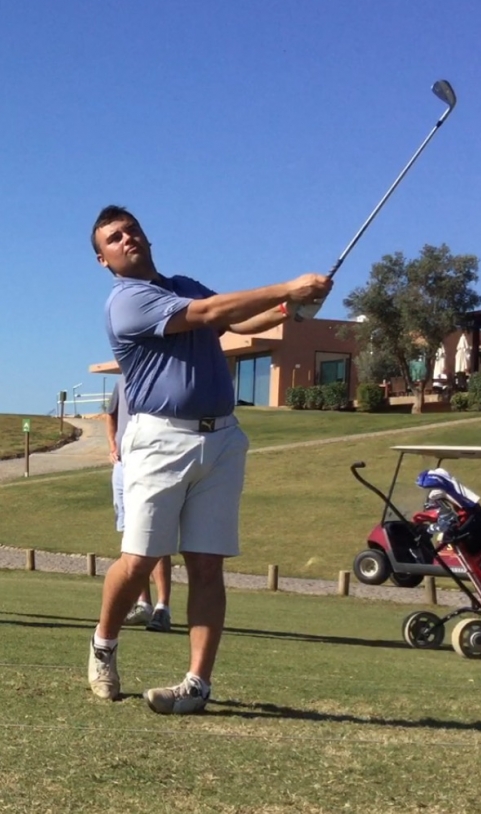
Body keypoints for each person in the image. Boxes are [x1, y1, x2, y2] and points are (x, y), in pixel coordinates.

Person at [86, 205, 330, 714]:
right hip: (159, 440)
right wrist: (288, 286)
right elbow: (209, 313)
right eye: (114, 238)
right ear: (104, 260)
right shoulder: (126, 301)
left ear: (146, 236)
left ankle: (197, 683)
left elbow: (237, 319)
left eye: (132, 230)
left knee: (206, 564)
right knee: (139, 560)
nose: (127, 239)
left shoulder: (183, 285)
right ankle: (103, 645)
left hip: (220, 439)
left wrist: (293, 308)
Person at [107, 375, 172, 632]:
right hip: (123, 467)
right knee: (132, 536)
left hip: (150, 463)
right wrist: (112, 445)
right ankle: (143, 604)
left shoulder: (160, 376)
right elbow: (111, 415)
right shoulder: (122, 380)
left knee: (156, 534)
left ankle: (162, 608)